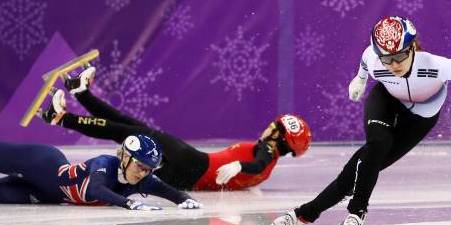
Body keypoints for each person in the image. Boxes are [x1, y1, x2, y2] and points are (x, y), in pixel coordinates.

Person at [272, 16, 451, 225]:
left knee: (360, 169)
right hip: (387, 99)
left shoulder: (436, 65)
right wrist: (360, 79)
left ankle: (304, 213)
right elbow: (366, 57)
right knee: (377, 145)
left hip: (421, 117)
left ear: (413, 48)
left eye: (399, 56)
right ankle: (357, 211)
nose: (394, 65)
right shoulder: (374, 58)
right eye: (386, 59)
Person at [0, 60, 202, 211]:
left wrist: (185, 200)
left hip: (41, 193)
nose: (144, 173)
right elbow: (96, 190)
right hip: (40, 163)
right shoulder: (105, 165)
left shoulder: (139, 176)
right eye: (141, 166)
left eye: (148, 169)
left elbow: (168, 191)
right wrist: (128, 203)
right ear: (126, 158)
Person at [39, 66, 311, 191]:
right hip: (186, 180)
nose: (267, 128)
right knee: (132, 128)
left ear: (279, 135)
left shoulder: (266, 151)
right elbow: (258, 169)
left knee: (125, 131)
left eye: (273, 126)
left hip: (192, 162)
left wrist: (241, 166)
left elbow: (258, 161)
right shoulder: (268, 169)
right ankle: (82, 94)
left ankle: (60, 117)